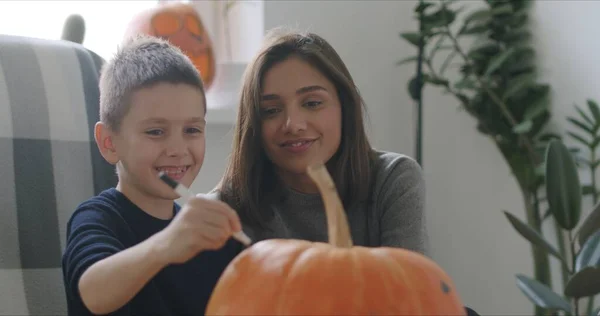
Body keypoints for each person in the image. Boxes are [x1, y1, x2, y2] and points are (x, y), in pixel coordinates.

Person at [61, 35, 244, 315]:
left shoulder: (207, 236)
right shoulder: (98, 218)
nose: (177, 149)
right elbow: (92, 293)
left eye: (192, 130)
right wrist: (167, 245)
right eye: (156, 132)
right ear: (109, 142)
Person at [215, 28, 428, 253]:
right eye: (271, 110)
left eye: (312, 103)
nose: (293, 124)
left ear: (344, 105)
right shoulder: (229, 206)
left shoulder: (393, 180)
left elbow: (407, 285)